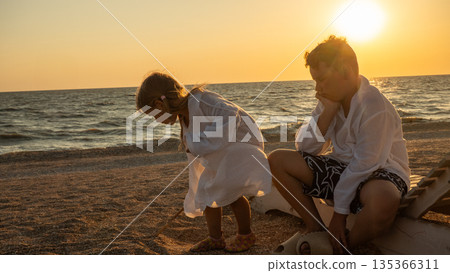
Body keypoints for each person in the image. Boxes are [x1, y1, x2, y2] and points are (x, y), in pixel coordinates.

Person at [268, 35, 410, 254]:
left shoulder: (374, 104)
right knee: (277, 159)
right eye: (315, 80)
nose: (318, 87)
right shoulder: (329, 99)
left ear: (345, 70)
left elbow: (367, 164)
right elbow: (305, 149)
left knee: (384, 200)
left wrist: (339, 214)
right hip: (342, 168)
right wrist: (328, 113)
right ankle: (315, 228)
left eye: (322, 79)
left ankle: (340, 249)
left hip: (381, 173)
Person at [135, 72, 272, 252]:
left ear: (159, 104)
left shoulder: (201, 101)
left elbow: (231, 114)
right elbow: (196, 145)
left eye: (153, 116)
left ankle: (246, 235)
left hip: (241, 145)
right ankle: (215, 239)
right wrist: (197, 144)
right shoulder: (184, 116)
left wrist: (203, 143)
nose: (155, 121)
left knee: (232, 192)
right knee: (206, 189)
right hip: (223, 151)